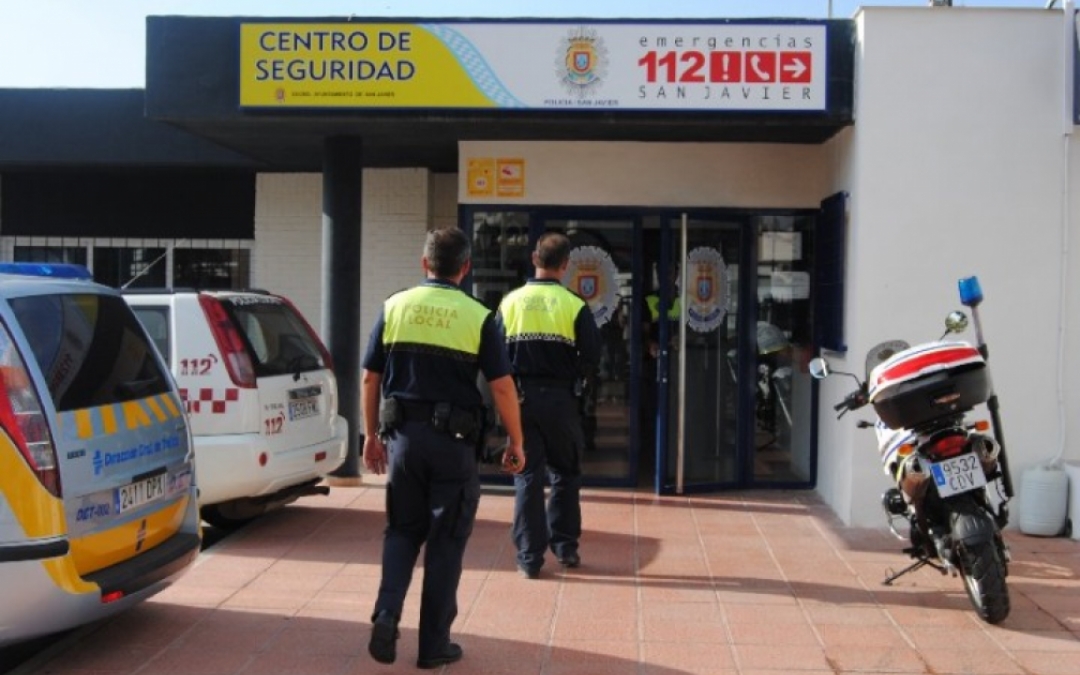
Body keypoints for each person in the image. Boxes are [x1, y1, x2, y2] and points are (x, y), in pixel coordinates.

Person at [361, 226, 525, 669]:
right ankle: (433, 647)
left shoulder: (394, 306)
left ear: (424, 263)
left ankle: (386, 613)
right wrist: (516, 440)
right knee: (446, 542)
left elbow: (370, 378)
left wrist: (371, 436)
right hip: (454, 446)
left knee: (401, 530)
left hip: (403, 442)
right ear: (465, 268)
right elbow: (502, 387)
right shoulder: (479, 316)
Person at [498, 232, 601, 579]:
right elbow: (592, 355)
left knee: (527, 475)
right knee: (566, 473)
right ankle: (565, 547)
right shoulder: (574, 305)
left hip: (520, 399)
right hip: (560, 400)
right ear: (565, 265)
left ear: (534, 258)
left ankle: (529, 558)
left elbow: (495, 357)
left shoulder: (510, 302)